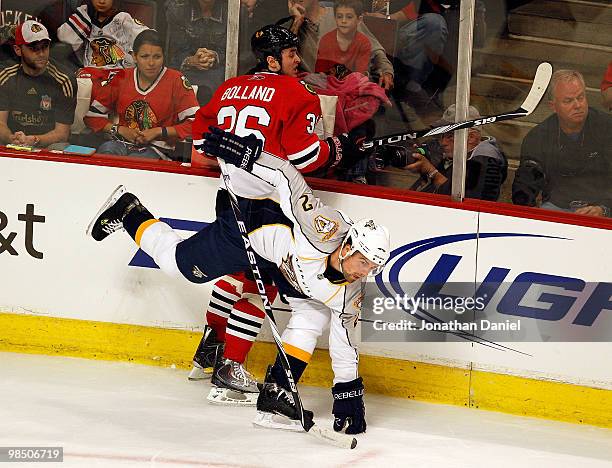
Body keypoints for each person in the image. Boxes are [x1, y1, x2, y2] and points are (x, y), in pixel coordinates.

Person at [87, 126, 390, 435]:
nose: (365, 272)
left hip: (280, 260)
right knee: (180, 265)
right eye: (364, 262)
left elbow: (345, 343)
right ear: (349, 246)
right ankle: (129, 210)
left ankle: (278, 392)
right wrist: (249, 157)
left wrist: (348, 395)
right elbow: (286, 176)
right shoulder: (321, 229)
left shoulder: (351, 290)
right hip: (250, 224)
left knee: (313, 312)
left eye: (373, 267)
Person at [185, 24, 373, 403]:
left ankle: (211, 347)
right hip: (271, 203)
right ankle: (229, 369)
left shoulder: (229, 87)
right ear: (273, 60)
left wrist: (234, 159)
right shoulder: (296, 92)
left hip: (231, 195)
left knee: (238, 271)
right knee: (263, 284)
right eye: (290, 54)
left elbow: (201, 146)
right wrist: (342, 148)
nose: (298, 60)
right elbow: (306, 159)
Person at [83, 29, 200, 159]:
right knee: (106, 154)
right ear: (134, 56)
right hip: (120, 142)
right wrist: (120, 130)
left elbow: (196, 123)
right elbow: (92, 117)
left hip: (159, 148)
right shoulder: (121, 77)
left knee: (137, 164)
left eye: (157, 57)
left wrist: (158, 132)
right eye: (144, 57)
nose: (151, 63)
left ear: (164, 56)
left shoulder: (176, 80)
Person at [512, 69, 612, 217]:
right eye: (568, 101)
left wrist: (604, 209)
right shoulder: (538, 137)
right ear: (553, 106)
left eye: (581, 97)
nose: (577, 105)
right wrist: (533, 214)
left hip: (601, 210)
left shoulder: (607, 127)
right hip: (556, 210)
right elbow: (525, 185)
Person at [283, 0, 394, 90]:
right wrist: (296, 22)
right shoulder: (289, 29)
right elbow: (281, 60)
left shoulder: (342, 15)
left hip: (350, 87)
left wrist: (386, 71)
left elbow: (375, 50)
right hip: (315, 90)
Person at [0, 20, 76, 150]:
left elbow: (62, 134)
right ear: (18, 50)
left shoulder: (64, 80)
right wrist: (11, 138)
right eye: (34, 48)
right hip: (11, 142)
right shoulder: (5, 76)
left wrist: (34, 140)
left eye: (45, 47)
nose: (41, 53)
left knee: (61, 147)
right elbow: (0, 123)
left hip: (48, 144)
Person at [405, 104, 507, 201]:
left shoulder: (486, 161)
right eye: (442, 135)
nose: (443, 143)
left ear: (471, 137)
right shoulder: (456, 151)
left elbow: (467, 205)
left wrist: (431, 172)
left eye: (450, 136)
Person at [57, 0, 149, 85]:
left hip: (117, 75)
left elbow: (147, 36)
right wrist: (85, 14)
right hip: (90, 76)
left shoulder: (122, 18)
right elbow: (64, 36)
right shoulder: (85, 16)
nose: (101, 1)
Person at [165, 0, 228, 105]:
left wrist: (215, 57)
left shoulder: (234, 9)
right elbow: (173, 52)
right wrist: (190, 60)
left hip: (222, 70)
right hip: (186, 68)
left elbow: (243, 53)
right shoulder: (177, 9)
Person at [314, 0, 371, 75]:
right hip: (327, 82)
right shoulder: (326, 40)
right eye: (339, 17)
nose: (343, 21)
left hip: (353, 83)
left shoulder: (364, 43)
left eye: (349, 17)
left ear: (359, 20)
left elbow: (360, 75)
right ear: (335, 18)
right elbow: (321, 73)